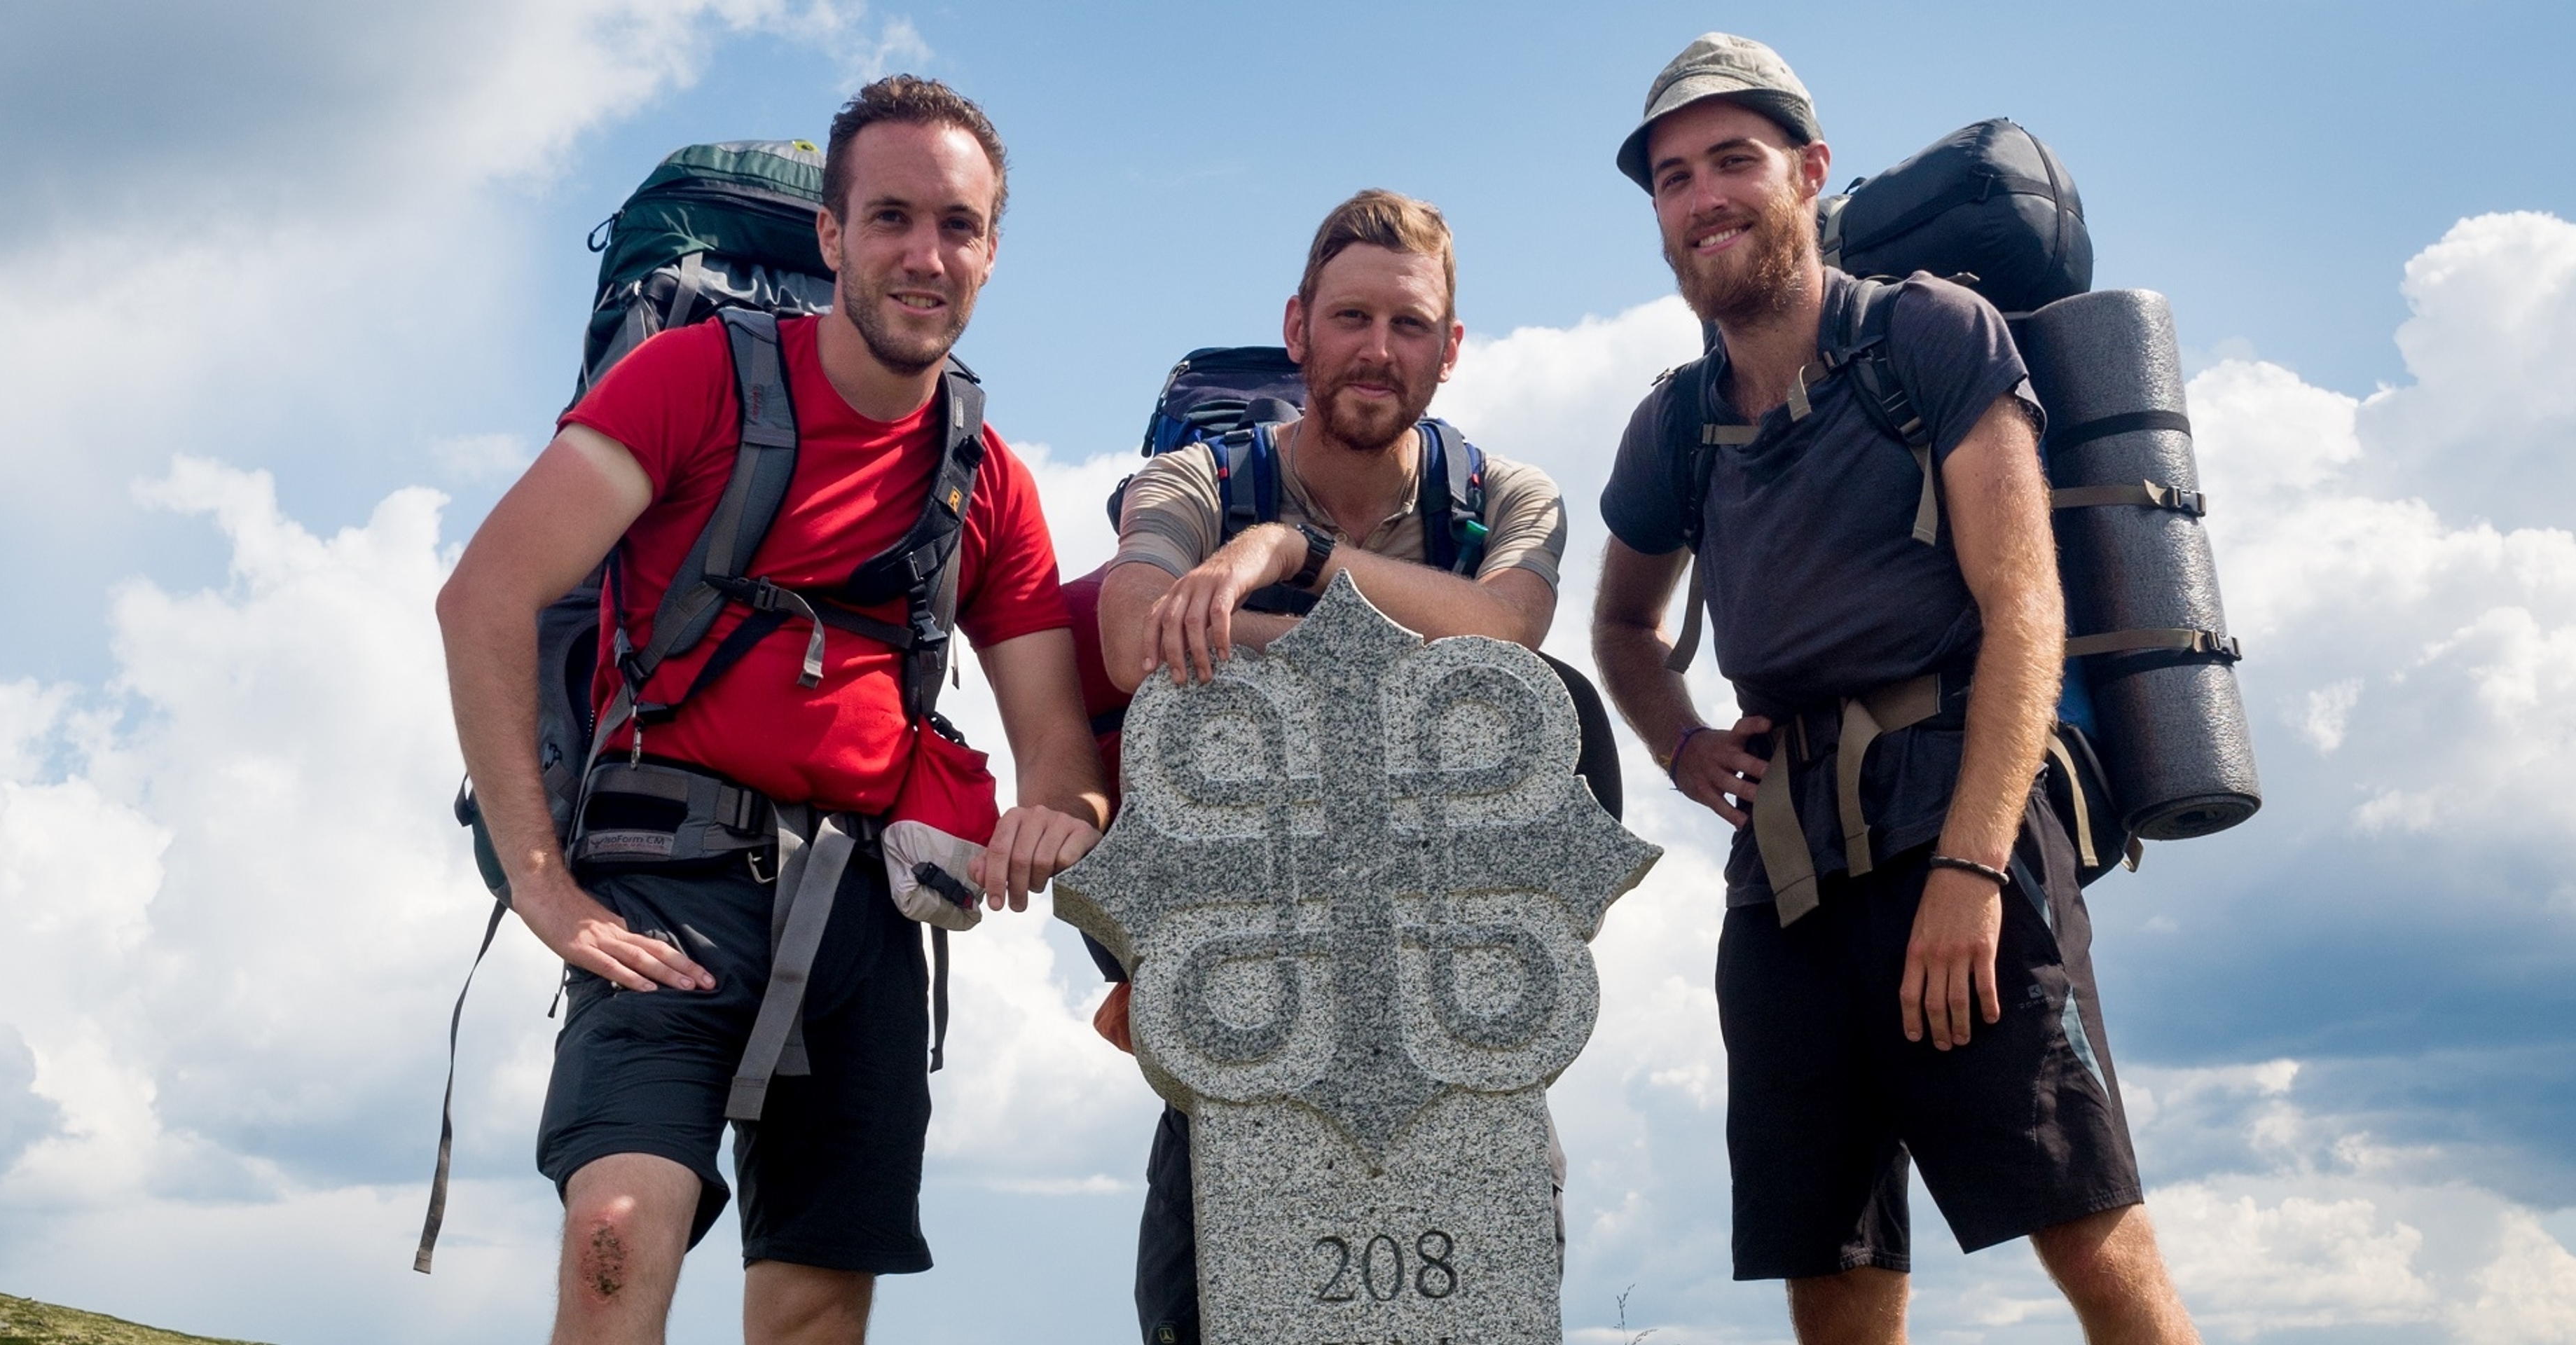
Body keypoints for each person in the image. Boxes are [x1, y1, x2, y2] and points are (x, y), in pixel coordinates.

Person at [436, 75, 1106, 1345]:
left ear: (993, 252)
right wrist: (539, 883)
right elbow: (485, 596)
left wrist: (1056, 818)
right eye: (893, 218)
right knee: (616, 1236)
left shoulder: (987, 476)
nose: (926, 255)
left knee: (813, 1307)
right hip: (664, 869)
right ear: (832, 237)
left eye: (957, 227)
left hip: (866, 909)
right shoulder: (690, 381)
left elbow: (1058, 755)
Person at [1587, 34, 2202, 1345]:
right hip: (1785, 869)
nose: (1704, 198)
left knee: (2084, 1221)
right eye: (1675, 177)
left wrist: (1975, 871)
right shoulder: (1673, 423)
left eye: (1735, 161)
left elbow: (2024, 604)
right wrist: (1684, 744)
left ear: (1808, 173)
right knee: (1833, 1253)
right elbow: (1624, 626)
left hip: (1961, 815)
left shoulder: (1927, 334)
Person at [1094, 188, 1571, 1345]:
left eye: (1410, 326)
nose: (1377, 350)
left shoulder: (1506, 498)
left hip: (1453, 1017)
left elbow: (1510, 639)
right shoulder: (1196, 483)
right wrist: (1402, 658)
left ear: (1450, 349)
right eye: (1351, 318)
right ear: (1298, 325)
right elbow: (1128, 632)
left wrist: (1287, 560)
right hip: (1246, 1009)